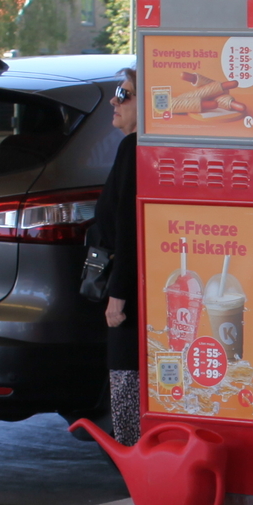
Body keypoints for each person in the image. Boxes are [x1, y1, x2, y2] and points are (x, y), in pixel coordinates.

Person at [88, 70, 142, 444]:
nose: (114, 100)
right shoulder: (135, 148)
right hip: (140, 288)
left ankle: (134, 461)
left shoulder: (134, 149)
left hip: (131, 295)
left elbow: (129, 227)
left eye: (125, 93)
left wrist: (118, 296)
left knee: (126, 381)